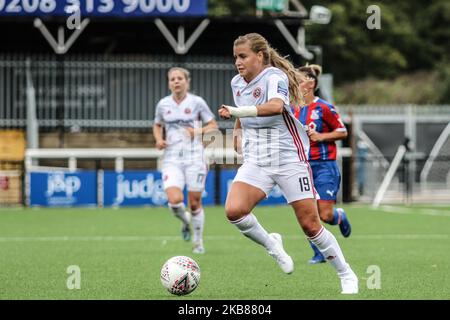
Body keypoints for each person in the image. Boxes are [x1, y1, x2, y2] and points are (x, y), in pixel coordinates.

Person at [218, 33, 358, 294]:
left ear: (260, 56)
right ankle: (273, 245)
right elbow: (241, 111)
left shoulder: (274, 77)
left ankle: (346, 273)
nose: (238, 62)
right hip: (258, 160)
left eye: (243, 56)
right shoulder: (237, 82)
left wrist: (237, 113)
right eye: (236, 57)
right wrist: (237, 134)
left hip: (289, 159)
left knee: (311, 225)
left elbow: (274, 107)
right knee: (234, 210)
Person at [153, 67, 218, 254]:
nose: (176, 81)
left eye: (179, 78)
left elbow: (213, 125)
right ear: (169, 83)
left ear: (187, 82)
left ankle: (198, 242)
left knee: (195, 203)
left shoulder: (197, 102)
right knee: (174, 201)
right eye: (172, 79)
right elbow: (157, 124)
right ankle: (185, 221)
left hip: (195, 158)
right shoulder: (163, 104)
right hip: (171, 159)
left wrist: (196, 131)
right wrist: (158, 139)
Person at [292, 64, 352, 264]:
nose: (295, 85)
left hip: (324, 166)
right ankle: (319, 253)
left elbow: (342, 131)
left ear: (310, 84)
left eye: (298, 81)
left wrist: (321, 136)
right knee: (308, 213)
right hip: (302, 166)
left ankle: (339, 216)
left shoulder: (324, 107)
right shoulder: (292, 109)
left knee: (324, 215)